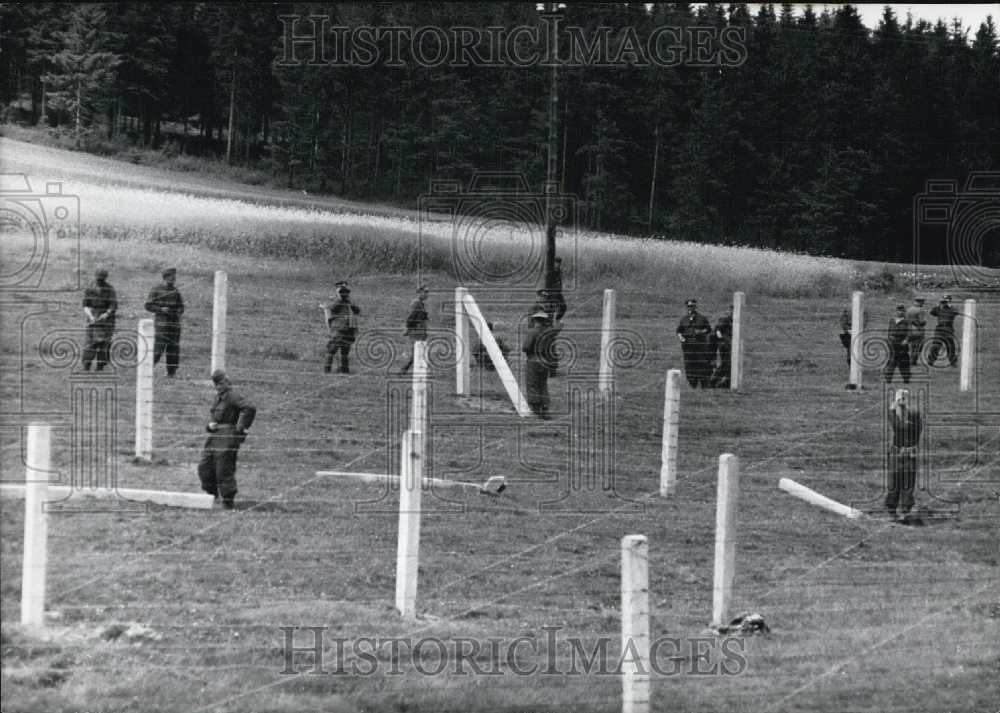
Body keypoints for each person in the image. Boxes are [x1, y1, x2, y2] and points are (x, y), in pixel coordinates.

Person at [197, 370, 256, 510]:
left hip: (227, 437)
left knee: (223, 469)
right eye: (217, 384)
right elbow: (214, 417)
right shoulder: (218, 398)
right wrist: (210, 426)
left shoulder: (233, 396)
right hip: (214, 437)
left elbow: (250, 408)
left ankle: (228, 501)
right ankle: (212, 497)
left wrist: (240, 428)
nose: (220, 386)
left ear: (227, 382)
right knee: (204, 467)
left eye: (222, 382)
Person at [886, 388, 922, 524]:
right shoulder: (914, 414)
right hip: (902, 452)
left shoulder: (912, 416)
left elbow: (899, 426)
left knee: (900, 482)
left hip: (904, 453)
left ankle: (900, 510)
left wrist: (892, 411)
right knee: (900, 482)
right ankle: (899, 509)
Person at [144, 267, 185, 377]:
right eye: (171, 278)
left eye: (174, 279)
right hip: (161, 324)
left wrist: (179, 312)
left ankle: (171, 372)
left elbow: (181, 306)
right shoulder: (156, 289)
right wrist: (161, 309)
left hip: (174, 323)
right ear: (165, 278)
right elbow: (148, 305)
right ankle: (147, 370)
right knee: (158, 347)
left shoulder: (176, 291)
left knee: (174, 349)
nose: (173, 281)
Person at [523, 311, 558, 419]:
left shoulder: (532, 332)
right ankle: (545, 407)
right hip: (545, 362)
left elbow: (525, 347)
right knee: (543, 385)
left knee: (532, 384)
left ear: (535, 320)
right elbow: (552, 350)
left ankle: (537, 409)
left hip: (533, 360)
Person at [320, 281, 360, 374]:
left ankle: (344, 371)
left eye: (346, 291)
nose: (344, 293)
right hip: (339, 329)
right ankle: (327, 371)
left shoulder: (349, 301)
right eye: (342, 291)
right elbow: (332, 308)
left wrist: (350, 301)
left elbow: (357, 310)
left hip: (349, 329)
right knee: (332, 350)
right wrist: (338, 298)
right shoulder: (336, 301)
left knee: (345, 351)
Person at [82, 268, 117, 371]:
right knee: (90, 342)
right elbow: (85, 305)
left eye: (102, 279)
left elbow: (113, 305)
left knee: (104, 343)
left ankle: (100, 366)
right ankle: (86, 365)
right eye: (98, 279)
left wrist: (106, 314)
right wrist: (91, 316)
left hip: (107, 320)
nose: (99, 281)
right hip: (93, 317)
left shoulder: (110, 289)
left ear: (105, 278)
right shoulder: (89, 288)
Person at [676, 298, 712, 388]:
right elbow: (679, 331)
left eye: (692, 306)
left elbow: (708, 329)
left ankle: (703, 383)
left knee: (701, 364)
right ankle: (692, 383)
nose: (690, 308)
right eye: (688, 306)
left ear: (695, 307)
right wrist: (681, 338)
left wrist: (701, 332)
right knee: (689, 365)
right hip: (687, 346)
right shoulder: (683, 319)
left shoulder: (702, 318)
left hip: (700, 346)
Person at [398, 285, 429, 374]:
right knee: (415, 353)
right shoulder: (416, 303)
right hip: (416, 332)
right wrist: (409, 328)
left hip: (420, 332)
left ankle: (412, 370)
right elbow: (411, 317)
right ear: (419, 293)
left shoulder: (420, 303)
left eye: (428, 292)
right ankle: (403, 370)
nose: (427, 294)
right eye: (425, 292)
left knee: (418, 353)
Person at [883, 304, 912, 384]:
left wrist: (906, 340)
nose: (900, 312)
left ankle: (906, 379)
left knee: (904, 361)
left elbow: (910, 332)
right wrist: (888, 339)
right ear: (896, 311)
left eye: (902, 311)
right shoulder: (892, 320)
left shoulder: (907, 321)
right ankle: (888, 379)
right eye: (898, 311)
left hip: (902, 343)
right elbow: (889, 331)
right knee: (892, 361)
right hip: (892, 343)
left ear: (904, 312)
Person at [927, 295, 958, 367]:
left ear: (949, 301)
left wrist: (949, 305)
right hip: (939, 328)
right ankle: (931, 361)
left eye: (946, 300)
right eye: (943, 300)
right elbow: (931, 312)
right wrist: (939, 305)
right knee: (936, 345)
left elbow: (956, 312)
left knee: (950, 346)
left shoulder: (952, 308)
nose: (944, 302)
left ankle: (953, 362)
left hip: (948, 328)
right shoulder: (939, 308)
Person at [711, 305, 733, 388]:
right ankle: (714, 380)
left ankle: (723, 382)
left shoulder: (734, 320)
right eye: (732, 311)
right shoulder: (725, 319)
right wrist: (722, 340)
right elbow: (717, 330)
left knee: (728, 364)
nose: (732, 312)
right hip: (724, 345)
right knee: (726, 363)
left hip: (730, 345)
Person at [905, 297, 927, 367]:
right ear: (920, 302)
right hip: (918, 330)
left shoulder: (909, 309)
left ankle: (910, 360)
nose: (923, 303)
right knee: (918, 346)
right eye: (923, 302)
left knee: (912, 346)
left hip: (909, 330)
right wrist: (924, 322)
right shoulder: (920, 310)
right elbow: (921, 322)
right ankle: (913, 361)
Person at [546, 256, 567, 321]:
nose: (558, 264)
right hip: (552, 293)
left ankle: (557, 320)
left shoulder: (559, 271)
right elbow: (548, 282)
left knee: (563, 307)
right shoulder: (551, 271)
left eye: (559, 263)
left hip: (558, 292)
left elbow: (559, 281)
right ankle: (549, 323)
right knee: (551, 309)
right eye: (557, 263)